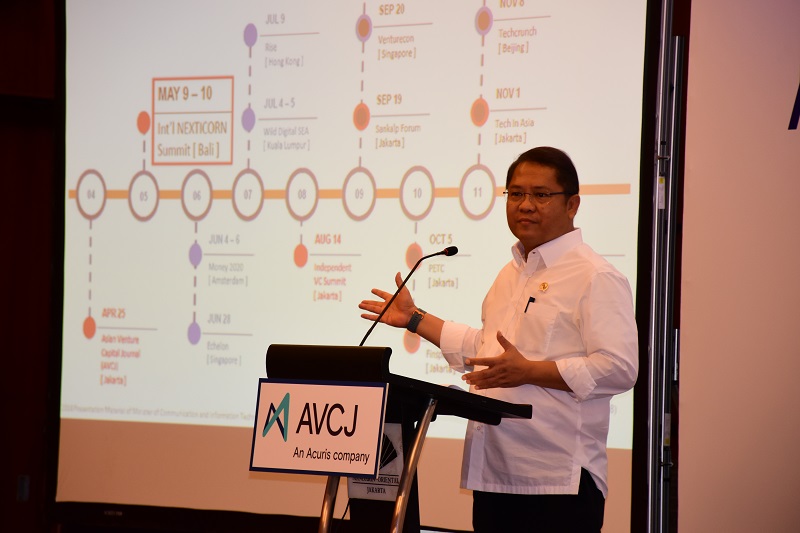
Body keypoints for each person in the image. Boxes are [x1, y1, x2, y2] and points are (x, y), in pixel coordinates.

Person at [358, 146, 638, 532]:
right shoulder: (510, 274)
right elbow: (487, 350)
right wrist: (415, 319)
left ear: (572, 204)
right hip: (494, 477)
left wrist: (529, 371)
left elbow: (619, 368)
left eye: (541, 194)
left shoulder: (595, 276)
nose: (526, 205)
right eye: (516, 193)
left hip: (558, 483)